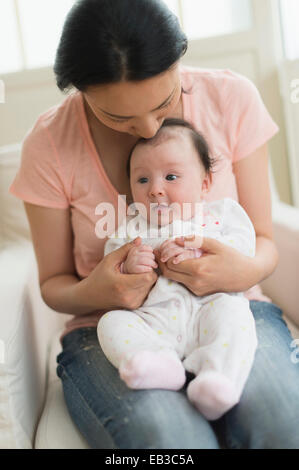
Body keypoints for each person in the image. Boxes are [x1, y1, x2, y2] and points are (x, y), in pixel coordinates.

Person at [9, 0, 299, 449]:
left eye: (164, 103)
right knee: (171, 441)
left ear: (180, 56)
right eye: (117, 117)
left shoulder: (231, 98)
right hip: (117, 325)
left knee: (282, 422)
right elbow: (53, 283)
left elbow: (262, 237)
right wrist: (100, 290)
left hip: (229, 306)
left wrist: (241, 272)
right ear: (79, 91)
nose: (146, 129)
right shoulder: (49, 146)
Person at [98, 118, 258, 422]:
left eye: (171, 176)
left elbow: (243, 250)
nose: (156, 190)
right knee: (110, 322)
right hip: (153, 319)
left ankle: (218, 380)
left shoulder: (219, 215)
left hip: (212, 307)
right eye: (142, 180)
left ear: (205, 183)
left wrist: (200, 248)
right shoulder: (131, 227)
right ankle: (157, 362)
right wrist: (132, 264)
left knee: (237, 318)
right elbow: (111, 269)